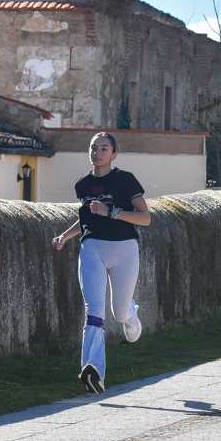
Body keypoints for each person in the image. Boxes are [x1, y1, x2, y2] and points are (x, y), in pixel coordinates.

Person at [53, 132, 151, 394]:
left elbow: (145, 217)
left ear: (114, 154)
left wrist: (112, 212)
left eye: (104, 148)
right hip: (92, 247)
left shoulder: (125, 180)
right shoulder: (82, 185)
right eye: (93, 148)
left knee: (119, 312)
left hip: (124, 248)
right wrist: (65, 236)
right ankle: (93, 371)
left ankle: (131, 316)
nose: (97, 153)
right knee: (94, 311)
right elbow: (86, 218)